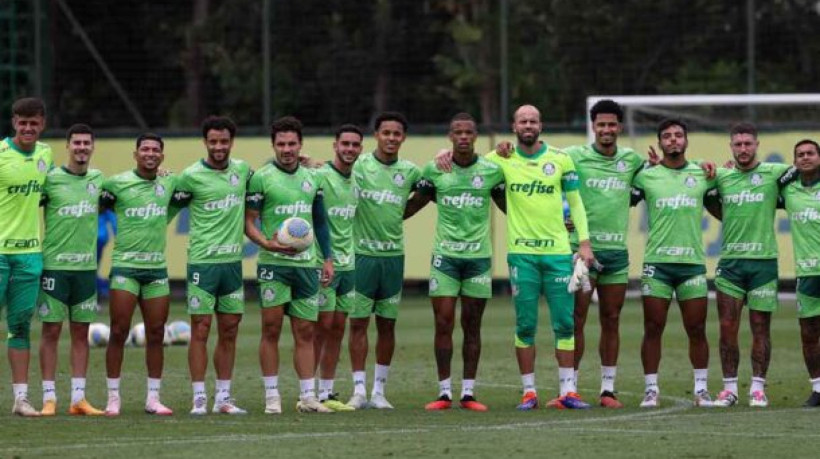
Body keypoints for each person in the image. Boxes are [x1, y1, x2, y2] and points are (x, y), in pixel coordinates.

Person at [404, 112, 505, 411]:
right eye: (457, 132)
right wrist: (378, 212)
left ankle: (469, 394)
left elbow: (511, 208)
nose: (463, 137)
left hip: (478, 259)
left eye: (468, 132)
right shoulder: (435, 170)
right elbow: (412, 206)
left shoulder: (491, 171)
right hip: (445, 258)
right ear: (450, 136)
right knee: (443, 322)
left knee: (472, 325)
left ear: (475, 137)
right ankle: (445, 392)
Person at [245, 116, 334, 413]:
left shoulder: (313, 178)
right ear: (273, 145)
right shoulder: (261, 177)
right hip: (274, 264)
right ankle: (272, 397)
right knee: (271, 329)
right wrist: (265, 243)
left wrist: (328, 259)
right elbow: (249, 221)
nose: (286, 149)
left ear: (301, 145)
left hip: (307, 266)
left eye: (292, 143)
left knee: (306, 331)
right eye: (281, 144)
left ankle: (308, 397)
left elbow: (320, 223)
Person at [562, 100, 645, 408]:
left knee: (611, 318)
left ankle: (607, 389)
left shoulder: (632, 161)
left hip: (616, 254)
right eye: (601, 125)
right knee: (576, 319)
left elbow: (664, 174)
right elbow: (542, 170)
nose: (606, 130)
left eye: (612, 125)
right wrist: (563, 211)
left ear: (619, 127)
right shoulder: (573, 156)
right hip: (582, 252)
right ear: (593, 126)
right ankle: (570, 387)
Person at [707, 123, 794, 408]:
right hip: (731, 264)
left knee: (760, 328)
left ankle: (758, 388)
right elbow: (697, 183)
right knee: (727, 327)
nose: (743, 149)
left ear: (757, 144)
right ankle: (729, 389)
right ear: (730, 147)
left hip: (764, 264)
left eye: (748, 144)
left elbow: (808, 170)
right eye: (738, 144)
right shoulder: (721, 176)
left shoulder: (775, 173)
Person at [631, 119, 718, 408]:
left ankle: (702, 389)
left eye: (678, 135)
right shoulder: (646, 176)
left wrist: (722, 166)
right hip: (658, 263)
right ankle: (651, 389)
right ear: (660, 143)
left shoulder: (704, 174)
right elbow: (620, 198)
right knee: (653, 327)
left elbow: (727, 193)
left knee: (697, 329)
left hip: (692, 264)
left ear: (686, 141)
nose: (673, 140)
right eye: (667, 136)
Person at [171, 116, 252, 415]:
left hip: (232, 265)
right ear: (205, 142)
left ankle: (223, 398)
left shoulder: (243, 171)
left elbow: (271, 180)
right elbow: (168, 204)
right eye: (213, 141)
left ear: (232, 142)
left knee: (229, 330)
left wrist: (308, 162)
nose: (219, 146)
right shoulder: (190, 176)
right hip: (202, 264)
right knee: (201, 329)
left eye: (224, 141)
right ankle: (199, 399)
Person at [346, 112, 422, 410]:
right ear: (376, 135)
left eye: (397, 134)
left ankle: (379, 391)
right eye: (386, 133)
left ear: (403, 138)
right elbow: (332, 171)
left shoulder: (411, 171)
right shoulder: (359, 164)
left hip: (393, 258)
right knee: (358, 324)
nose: (391, 138)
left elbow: (432, 188)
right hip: (362, 256)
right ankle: (358, 390)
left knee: (387, 325)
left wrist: (408, 210)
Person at [101, 133, 177, 416]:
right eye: (144, 149)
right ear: (135, 154)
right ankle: (113, 398)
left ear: (162, 156)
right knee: (119, 331)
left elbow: (191, 192)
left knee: (156, 333)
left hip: (156, 269)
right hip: (125, 267)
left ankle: (153, 399)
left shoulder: (170, 181)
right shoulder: (116, 184)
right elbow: (92, 202)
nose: (150, 153)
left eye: (155, 150)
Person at [37, 123, 105, 416]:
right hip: (54, 268)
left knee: (81, 332)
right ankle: (49, 397)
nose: (81, 148)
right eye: (76, 143)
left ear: (92, 146)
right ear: (68, 146)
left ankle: (78, 398)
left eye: (86, 143)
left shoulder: (99, 180)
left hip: (86, 270)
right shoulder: (49, 180)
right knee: (51, 331)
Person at [0, 97, 53, 416]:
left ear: (42, 124)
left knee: (19, 327)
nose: (28, 128)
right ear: (13, 123)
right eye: (23, 122)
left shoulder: (46, 154)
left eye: (34, 123)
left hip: (31, 256)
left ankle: (21, 399)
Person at [312, 125, 362, 412]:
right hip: (324, 264)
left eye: (355, 145)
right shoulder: (319, 175)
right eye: (345, 144)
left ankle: (327, 392)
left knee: (338, 329)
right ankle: (308, 391)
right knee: (321, 328)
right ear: (335, 146)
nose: (350, 149)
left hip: (349, 265)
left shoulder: (358, 178)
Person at [780, 139, 820, 407]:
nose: (805, 157)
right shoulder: (788, 191)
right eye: (800, 155)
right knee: (808, 333)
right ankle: (818, 388)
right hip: (807, 273)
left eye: (810, 153)